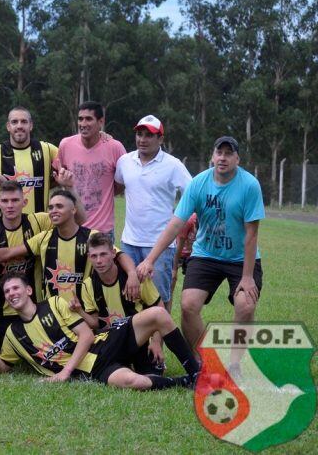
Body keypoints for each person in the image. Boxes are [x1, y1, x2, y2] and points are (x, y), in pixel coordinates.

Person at [136, 136, 265, 351]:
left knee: (245, 305)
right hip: (206, 254)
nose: (223, 158)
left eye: (228, 153)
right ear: (213, 157)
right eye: (219, 153)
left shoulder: (249, 185)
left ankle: (235, 364)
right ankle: (204, 362)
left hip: (240, 258)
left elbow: (251, 235)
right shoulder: (199, 183)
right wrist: (150, 259)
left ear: (237, 159)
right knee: (188, 305)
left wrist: (247, 277)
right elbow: (176, 224)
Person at [0, 273, 200, 390]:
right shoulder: (13, 333)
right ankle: (183, 382)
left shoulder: (55, 303)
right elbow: (4, 368)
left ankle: (196, 373)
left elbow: (86, 335)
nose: (11, 293)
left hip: (102, 344)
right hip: (91, 371)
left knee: (158, 315)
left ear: (28, 290)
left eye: (16, 288)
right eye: (7, 291)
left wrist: (64, 373)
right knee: (135, 382)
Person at [0, 188, 141, 303]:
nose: (53, 210)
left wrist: (132, 274)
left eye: (59, 206)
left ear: (74, 210)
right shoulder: (44, 238)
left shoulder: (91, 236)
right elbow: (8, 253)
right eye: (51, 207)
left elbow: (118, 254)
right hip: (52, 311)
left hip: (87, 309)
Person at [0, 181, 52, 365]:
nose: (10, 205)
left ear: (24, 202)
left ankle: (11, 348)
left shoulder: (39, 221)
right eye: (5, 201)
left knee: (39, 360)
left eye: (15, 200)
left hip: (30, 309)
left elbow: (71, 218)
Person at [114, 115, 191, 311]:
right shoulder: (125, 161)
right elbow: (119, 185)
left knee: (159, 300)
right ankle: (135, 341)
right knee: (129, 298)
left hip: (160, 246)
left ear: (161, 139)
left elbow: (192, 193)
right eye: (139, 134)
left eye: (149, 135)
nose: (142, 139)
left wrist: (183, 220)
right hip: (129, 243)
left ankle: (157, 341)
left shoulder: (173, 165)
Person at [76, 232, 165, 375]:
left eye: (103, 254)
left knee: (152, 375)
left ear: (113, 253)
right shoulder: (88, 285)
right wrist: (79, 310)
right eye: (94, 256)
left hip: (140, 339)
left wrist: (156, 342)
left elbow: (160, 308)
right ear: (89, 257)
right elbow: (94, 323)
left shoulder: (137, 278)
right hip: (113, 342)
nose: (99, 260)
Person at [56, 101, 126, 241]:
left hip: (102, 232)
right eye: (80, 119)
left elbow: (122, 183)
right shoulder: (65, 145)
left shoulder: (115, 148)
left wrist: (105, 193)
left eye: (89, 119)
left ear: (101, 122)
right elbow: (60, 174)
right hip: (72, 228)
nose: (83, 123)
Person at [171, 213, 198, 309]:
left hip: (193, 254)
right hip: (178, 252)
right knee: (171, 281)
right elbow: (179, 244)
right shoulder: (189, 221)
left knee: (192, 289)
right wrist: (174, 269)